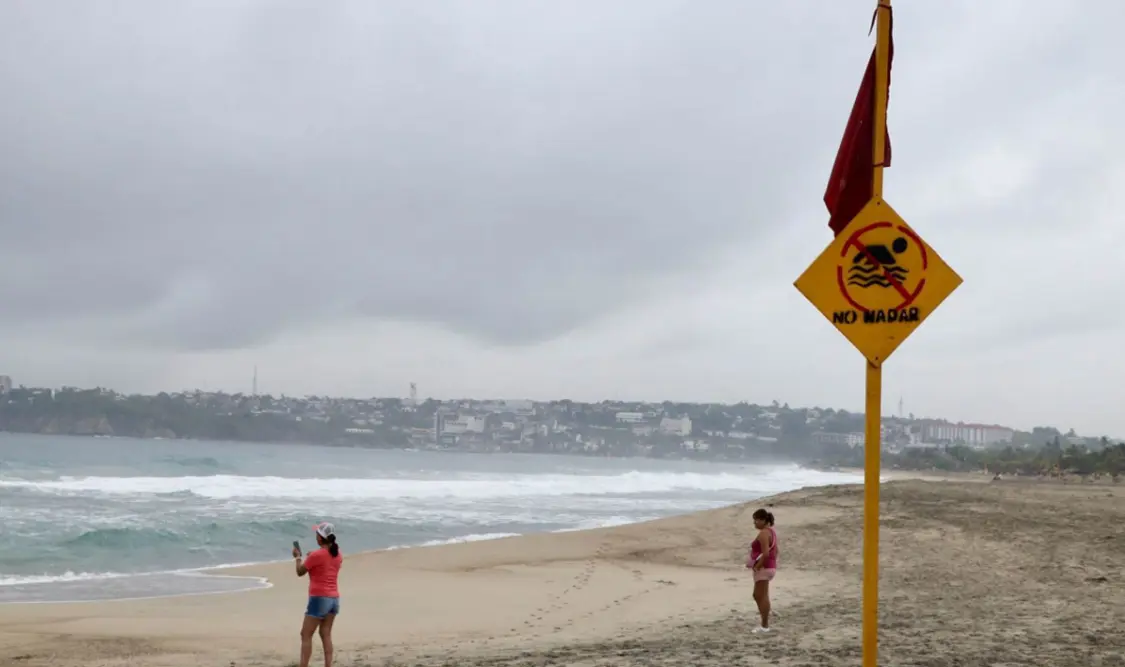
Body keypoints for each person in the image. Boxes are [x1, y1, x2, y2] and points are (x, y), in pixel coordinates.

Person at [293, 521, 343, 667]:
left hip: (319, 598)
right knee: (325, 634)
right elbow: (325, 562)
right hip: (334, 599)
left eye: (317, 533)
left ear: (320, 537)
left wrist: (298, 557)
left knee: (306, 634)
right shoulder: (338, 554)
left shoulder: (316, 555)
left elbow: (300, 572)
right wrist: (312, 556)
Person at [746, 508, 778, 633]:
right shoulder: (771, 532)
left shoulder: (764, 533)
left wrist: (758, 566)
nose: (754, 523)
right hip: (769, 567)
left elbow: (765, 553)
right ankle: (765, 621)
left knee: (760, 596)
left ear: (763, 520)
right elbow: (776, 551)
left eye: (756, 520)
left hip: (764, 568)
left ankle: (764, 625)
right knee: (760, 595)